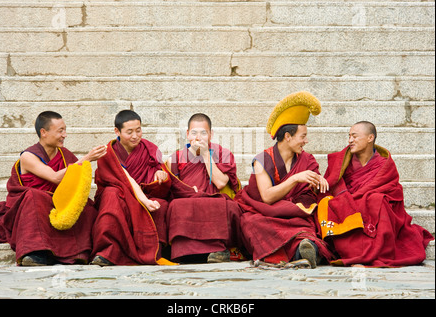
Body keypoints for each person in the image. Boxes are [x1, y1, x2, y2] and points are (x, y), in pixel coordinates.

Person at [0, 111, 107, 266]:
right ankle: (35, 253)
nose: (64, 135)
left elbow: (75, 184)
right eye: (60, 131)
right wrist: (86, 159)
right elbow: (54, 177)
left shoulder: (65, 155)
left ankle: (79, 252)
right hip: (32, 206)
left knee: (87, 206)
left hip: (58, 204)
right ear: (44, 132)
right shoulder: (28, 156)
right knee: (33, 196)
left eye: (65, 130)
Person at [234, 91, 333, 268]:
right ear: (288, 137)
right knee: (251, 222)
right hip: (265, 211)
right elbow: (267, 197)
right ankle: (298, 251)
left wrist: (318, 184)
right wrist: (295, 178)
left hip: (293, 213)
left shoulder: (307, 160)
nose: (306, 141)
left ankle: (305, 249)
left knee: (305, 224)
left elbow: (309, 195)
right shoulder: (262, 160)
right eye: (302, 137)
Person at [317, 121, 434, 267]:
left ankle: (373, 253)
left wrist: (363, 197)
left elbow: (393, 190)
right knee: (334, 204)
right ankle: (354, 252)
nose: (350, 140)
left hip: (369, 206)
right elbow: (330, 184)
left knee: (378, 200)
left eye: (354, 136)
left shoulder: (384, 164)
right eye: (349, 136)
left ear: (370, 138)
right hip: (348, 204)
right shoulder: (342, 161)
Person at [91, 110, 173, 266]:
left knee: (161, 204)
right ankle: (107, 252)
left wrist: (160, 175)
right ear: (117, 131)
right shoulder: (108, 153)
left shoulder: (150, 149)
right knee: (111, 194)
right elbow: (121, 179)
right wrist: (142, 199)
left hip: (144, 194)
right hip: (119, 196)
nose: (135, 136)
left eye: (138, 130)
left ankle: (154, 252)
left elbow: (161, 173)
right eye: (129, 132)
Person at [165, 113, 245, 263]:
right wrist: (190, 192)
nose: (198, 137)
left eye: (203, 133)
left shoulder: (223, 154)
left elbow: (220, 183)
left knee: (226, 205)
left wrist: (205, 155)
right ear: (188, 135)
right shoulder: (175, 158)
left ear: (211, 134)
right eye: (194, 133)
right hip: (189, 200)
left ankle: (219, 249)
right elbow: (174, 190)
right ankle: (188, 252)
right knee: (175, 206)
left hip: (214, 198)